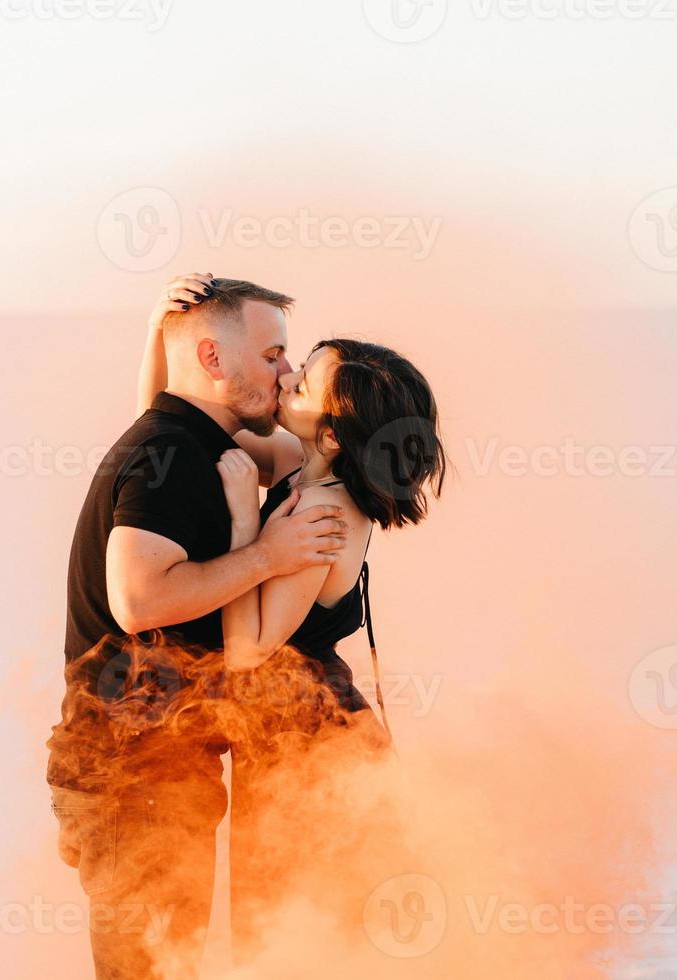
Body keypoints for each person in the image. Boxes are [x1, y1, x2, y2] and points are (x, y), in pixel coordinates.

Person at [135, 273, 450, 966]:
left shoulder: (323, 510)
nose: (284, 381)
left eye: (302, 384)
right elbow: (166, 442)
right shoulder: (305, 468)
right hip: (284, 736)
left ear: (333, 433)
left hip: (310, 746)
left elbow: (248, 650)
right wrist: (163, 336)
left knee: (296, 936)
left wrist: (249, 521)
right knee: (279, 936)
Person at [45, 275, 351, 979]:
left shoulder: (188, 440)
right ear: (214, 360)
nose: (285, 371)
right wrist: (266, 555)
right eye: (274, 353)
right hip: (128, 774)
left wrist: (159, 333)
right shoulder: (174, 452)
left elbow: (160, 407)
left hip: (161, 768)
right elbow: (140, 599)